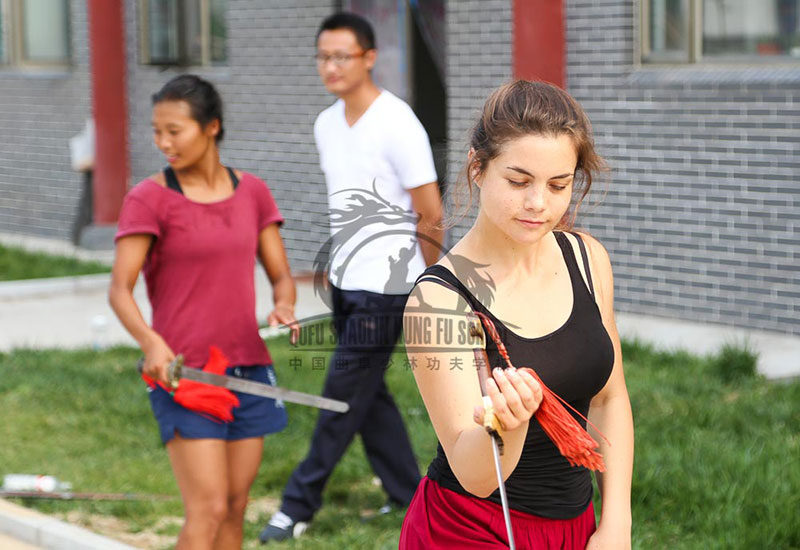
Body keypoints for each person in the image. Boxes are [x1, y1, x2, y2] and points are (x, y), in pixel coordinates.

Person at [399, 80, 634, 549]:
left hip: (578, 526)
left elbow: (610, 400)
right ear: (478, 168)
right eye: (518, 181)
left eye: (558, 185)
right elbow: (475, 476)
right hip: (472, 528)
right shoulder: (441, 299)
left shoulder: (587, 259)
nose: (538, 204)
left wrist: (615, 525)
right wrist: (508, 423)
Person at [259, 12, 444, 543]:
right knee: (367, 394)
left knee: (340, 397)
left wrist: (429, 283)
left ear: (368, 57)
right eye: (323, 56)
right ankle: (409, 494)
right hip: (344, 279)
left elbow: (429, 213)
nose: (331, 66)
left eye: (342, 55)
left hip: (388, 288)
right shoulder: (326, 124)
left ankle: (296, 506)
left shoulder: (398, 122)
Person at [109, 74, 298, 550]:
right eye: (157, 131)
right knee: (208, 509)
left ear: (211, 127)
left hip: (248, 368)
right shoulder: (148, 199)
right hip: (184, 373)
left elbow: (281, 276)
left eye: (175, 130)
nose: (163, 142)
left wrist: (284, 306)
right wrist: (151, 342)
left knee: (235, 506)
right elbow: (119, 289)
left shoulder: (252, 191)